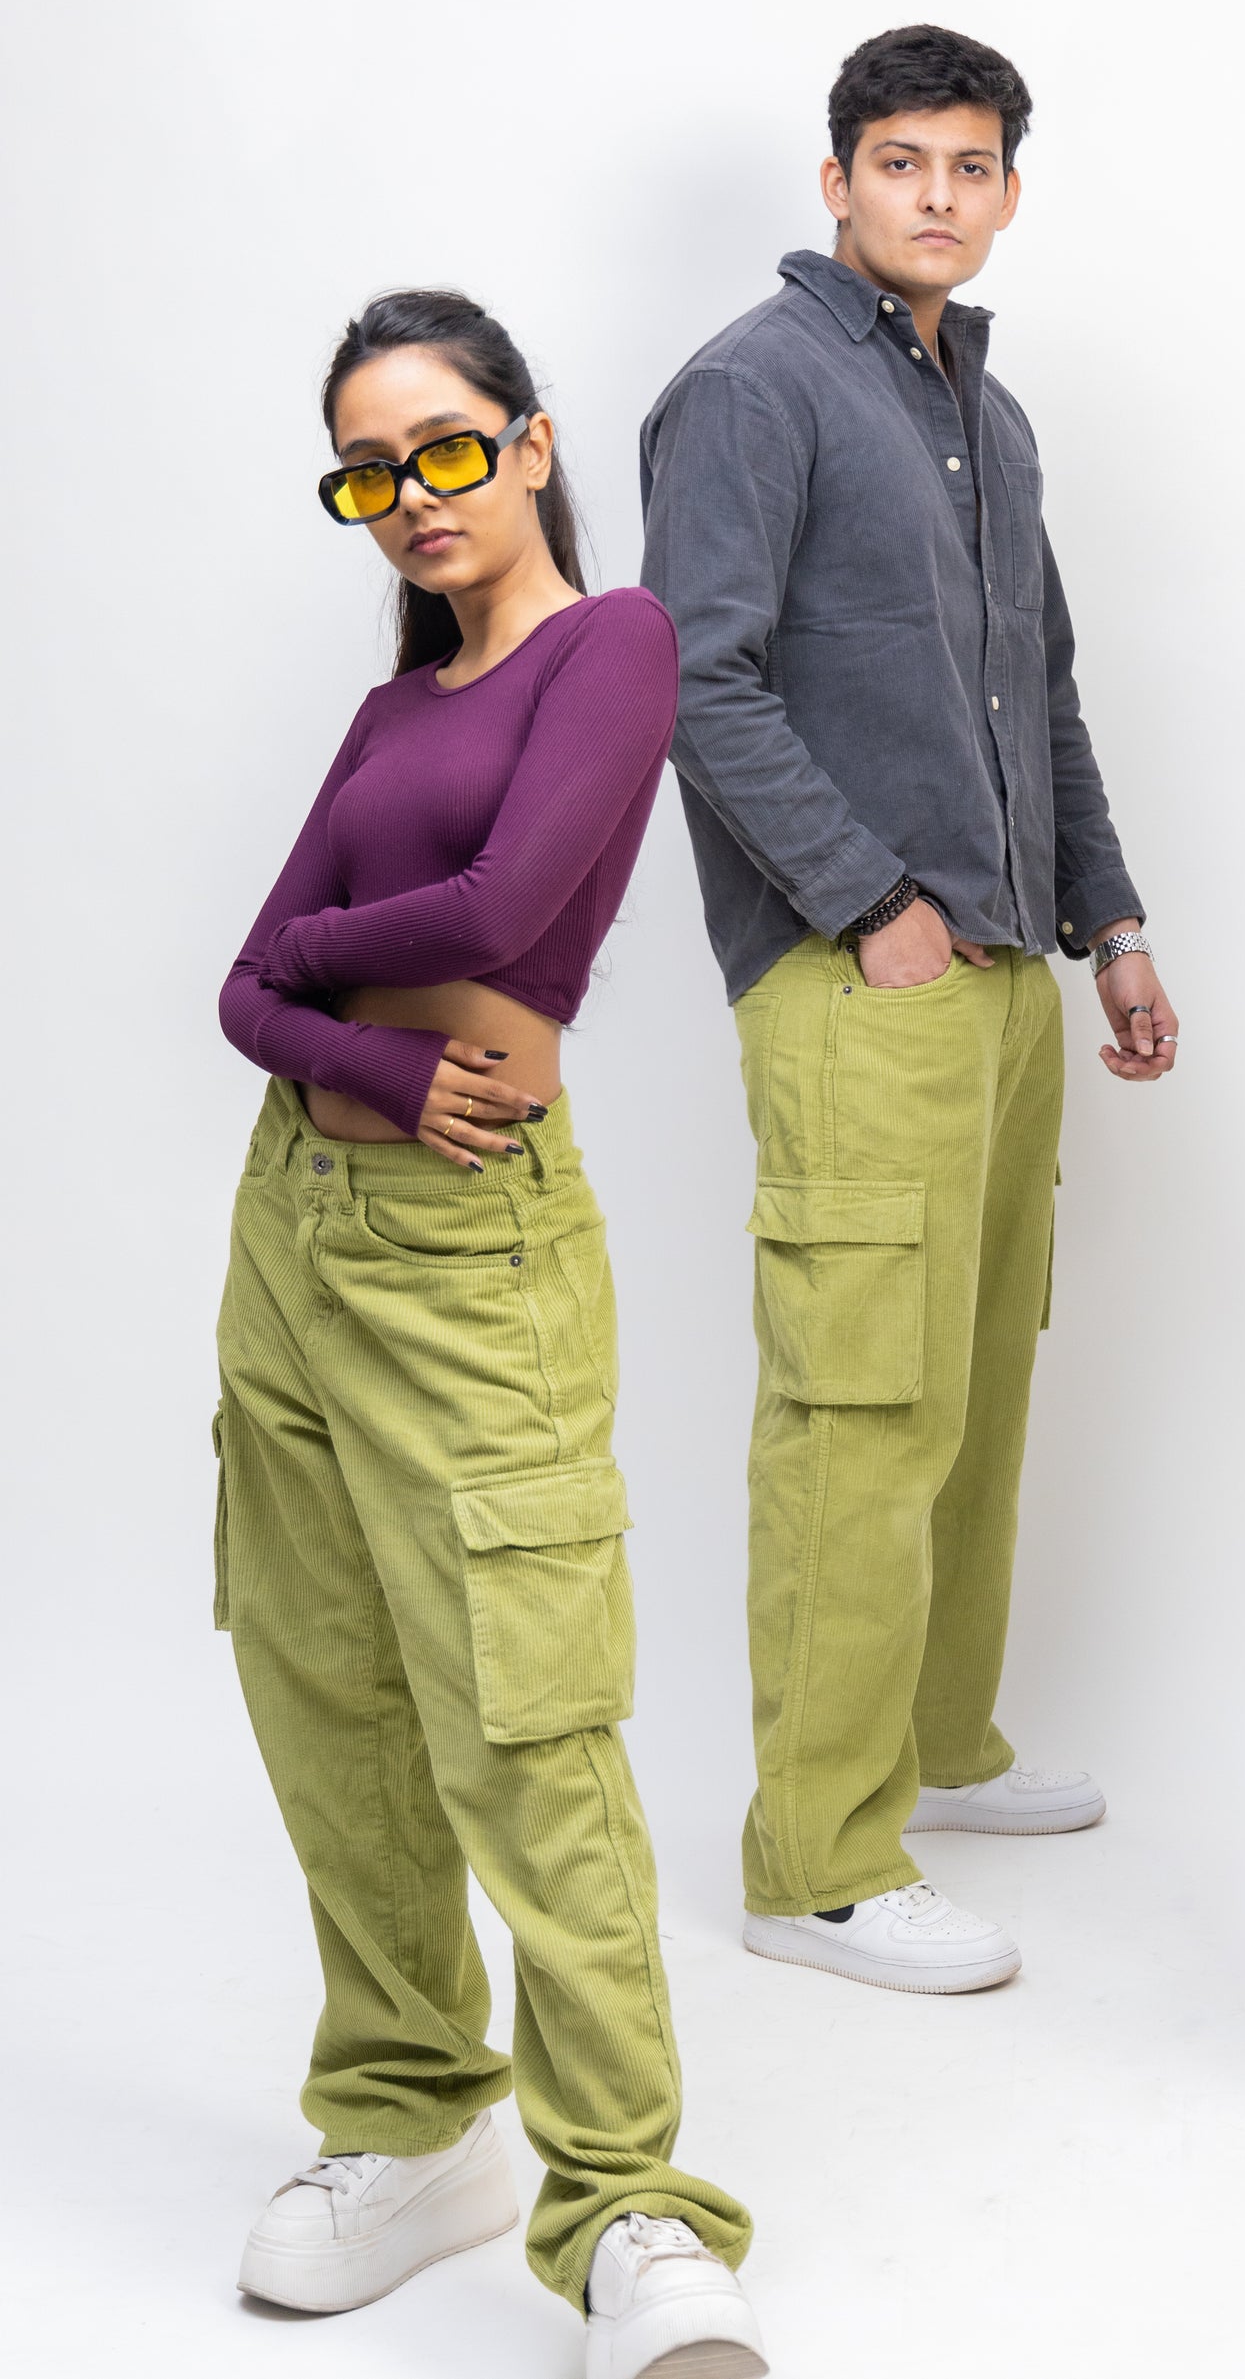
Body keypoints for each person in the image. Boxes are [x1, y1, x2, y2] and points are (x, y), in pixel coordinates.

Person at [214, 291, 766, 2374]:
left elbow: (508, 906)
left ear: (530, 443)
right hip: (293, 1230)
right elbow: (240, 1002)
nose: (413, 497)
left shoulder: (611, 645)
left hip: (467, 1254)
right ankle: (408, 2113)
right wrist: (345, 1032)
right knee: (328, 1688)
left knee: (530, 1721)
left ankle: (630, 2199)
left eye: (446, 447)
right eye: (370, 472)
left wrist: (307, 962)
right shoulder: (393, 713)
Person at [640, 24, 1177, 1994]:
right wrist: (868, 903)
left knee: (973, 1379)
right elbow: (692, 679)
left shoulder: (989, 417)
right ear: (837, 181)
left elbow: (1042, 691)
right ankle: (815, 1859)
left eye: (968, 165)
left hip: (1009, 974)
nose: (934, 194)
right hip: (857, 976)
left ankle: (940, 1745)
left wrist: (1109, 919)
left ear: (1007, 192)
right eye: (898, 161)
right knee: (858, 1407)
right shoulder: (750, 387)